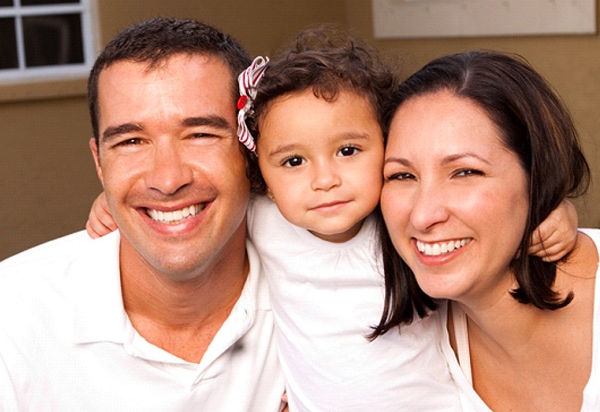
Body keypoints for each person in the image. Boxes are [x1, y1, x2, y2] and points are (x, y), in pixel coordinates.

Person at [87, 27, 579, 411]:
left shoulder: (404, 223)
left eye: (347, 150)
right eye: (293, 162)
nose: (324, 180)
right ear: (260, 175)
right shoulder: (266, 218)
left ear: (386, 147)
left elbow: (483, 218)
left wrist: (551, 209)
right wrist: (115, 198)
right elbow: (192, 202)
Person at [0, 17, 285, 411]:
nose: (168, 180)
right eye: (132, 141)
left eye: (200, 134)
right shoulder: (12, 317)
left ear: (251, 149)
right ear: (100, 162)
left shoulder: (337, 292)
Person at [377, 50, 598, 411]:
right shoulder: (411, 347)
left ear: (536, 174)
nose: (422, 216)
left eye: (464, 172)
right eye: (402, 175)